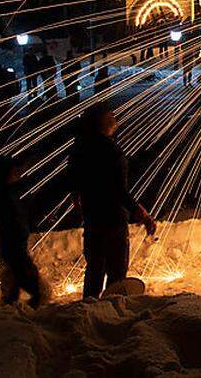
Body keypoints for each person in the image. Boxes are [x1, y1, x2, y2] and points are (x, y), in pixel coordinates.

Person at [68, 104, 157, 299]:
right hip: (112, 220)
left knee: (94, 271)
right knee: (116, 275)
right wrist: (141, 213)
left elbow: (74, 180)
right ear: (102, 121)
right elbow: (118, 191)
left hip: (93, 218)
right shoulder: (110, 151)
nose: (115, 117)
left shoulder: (81, 148)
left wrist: (78, 198)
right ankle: (111, 313)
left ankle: (89, 311)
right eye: (111, 115)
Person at [0, 155, 47, 308]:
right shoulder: (5, 196)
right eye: (14, 172)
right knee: (33, 286)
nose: (18, 174)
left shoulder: (7, 193)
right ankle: (22, 311)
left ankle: (10, 308)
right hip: (14, 246)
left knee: (13, 281)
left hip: (14, 245)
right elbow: (11, 222)